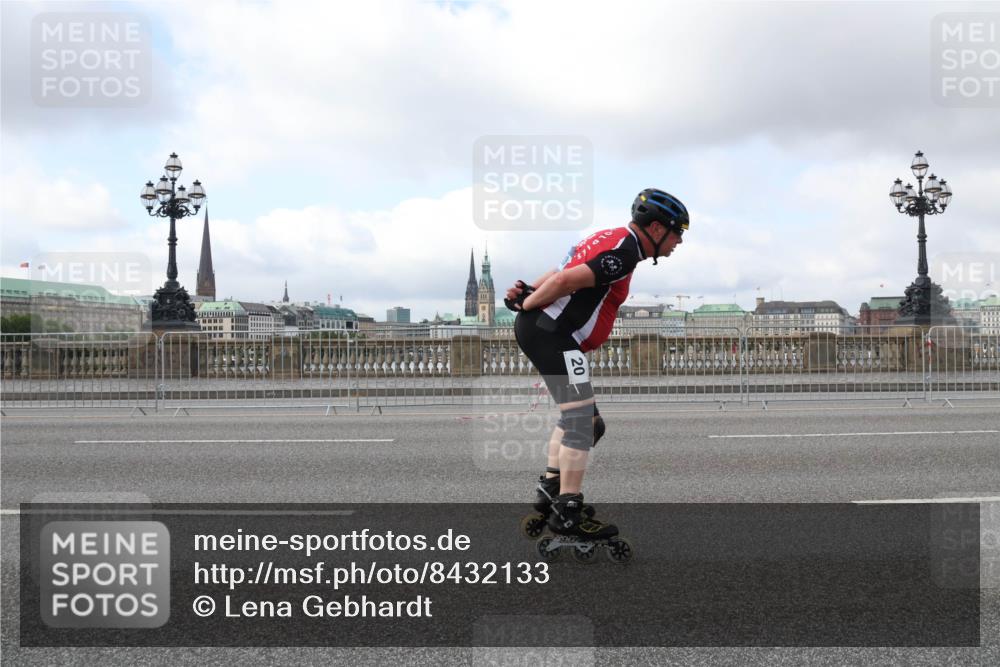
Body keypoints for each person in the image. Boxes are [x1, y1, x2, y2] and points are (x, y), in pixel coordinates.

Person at [505, 188, 690, 539]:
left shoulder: (610, 237)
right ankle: (567, 510)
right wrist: (527, 305)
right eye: (677, 231)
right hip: (553, 335)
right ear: (655, 229)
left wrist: (529, 290)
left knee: (587, 421)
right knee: (581, 423)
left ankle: (551, 491)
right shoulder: (623, 253)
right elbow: (562, 280)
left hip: (551, 334)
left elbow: (558, 270)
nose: (678, 241)